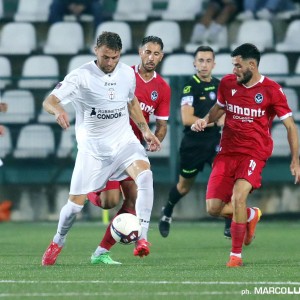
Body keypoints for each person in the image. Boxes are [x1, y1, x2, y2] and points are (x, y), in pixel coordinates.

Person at [41, 31, 161, 266]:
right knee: (74, 207)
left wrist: (146, 131)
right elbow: (49, 100)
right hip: (93, 151)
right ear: (96, 50)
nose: (110, 63)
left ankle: (143, 239)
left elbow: (131, 102)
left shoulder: (127, 73)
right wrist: (58, 111)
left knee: (145, 176)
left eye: (115, 58)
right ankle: (58, 241)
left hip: (124, 143)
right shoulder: (80, 76)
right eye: (106, 57)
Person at [192, 43, 300, 267]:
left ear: (252, 65)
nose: (234, 70)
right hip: (227, 152)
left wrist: (295, 159)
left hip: (254, 153)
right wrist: (205, 119)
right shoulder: (227, 84)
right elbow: (219, 108)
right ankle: (250, 215)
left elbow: (290, 126)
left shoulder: (272, 90)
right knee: (212, 208)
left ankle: (236, 255)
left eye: (238, 65)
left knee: (238, 197)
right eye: (233, 65)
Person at [87, 35, 171, 264]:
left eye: (156, 53)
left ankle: (111, 249)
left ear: (161, 56)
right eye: (147, 52)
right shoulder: (123, 74)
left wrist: (154, 139)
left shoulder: (162, 88)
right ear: (139, 52)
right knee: (108, 201)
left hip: (131, 148)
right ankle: (88, 189)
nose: (151, 57)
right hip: (107, 144)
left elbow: (161, 124)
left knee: (134, 196)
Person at [158, 46, 230, 239]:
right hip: (193, 145)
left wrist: (223, 121)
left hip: (215, 142)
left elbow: (226, 115)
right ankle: (167, 211)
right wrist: (214, 121)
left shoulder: (220, 85)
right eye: (201, 60)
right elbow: (187, 119)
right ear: (194, 63)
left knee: (225, 179)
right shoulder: (191, 86)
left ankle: (229, 221)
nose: (204, 64)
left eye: (208, 61)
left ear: (214, 64)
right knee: (184, 187)